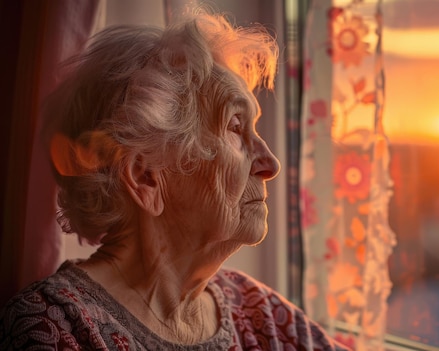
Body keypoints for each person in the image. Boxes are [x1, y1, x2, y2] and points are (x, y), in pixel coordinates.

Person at [0, 9, 350, 351]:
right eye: (234, 127)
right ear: (145, 176)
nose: (269, 164)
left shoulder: (258, 311)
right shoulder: (55, 327)